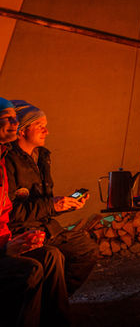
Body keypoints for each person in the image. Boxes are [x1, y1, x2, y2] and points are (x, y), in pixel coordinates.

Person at [5, 100, 99, 296]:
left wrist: (64, 205)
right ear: (22, 131)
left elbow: (45, 201)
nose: (46, 132)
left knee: (86, 249)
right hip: (21, 231)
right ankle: (50, 306)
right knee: (51, 256)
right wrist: (52, 205)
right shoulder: (7, 161)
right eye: (40, 126)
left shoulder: (42, 156)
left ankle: (52, 301)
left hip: (46, 226)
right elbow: (11, 211)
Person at [0, 97, 69, 326]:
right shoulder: (9, 161)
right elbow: (15, 213)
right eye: (7, 119)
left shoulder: (4, 159)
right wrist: (5, 246)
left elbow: (5, 211)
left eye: (15, 118)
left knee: (52, 256)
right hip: (9, 241)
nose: (14, 123)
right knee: (32, 269)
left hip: (14, 235)